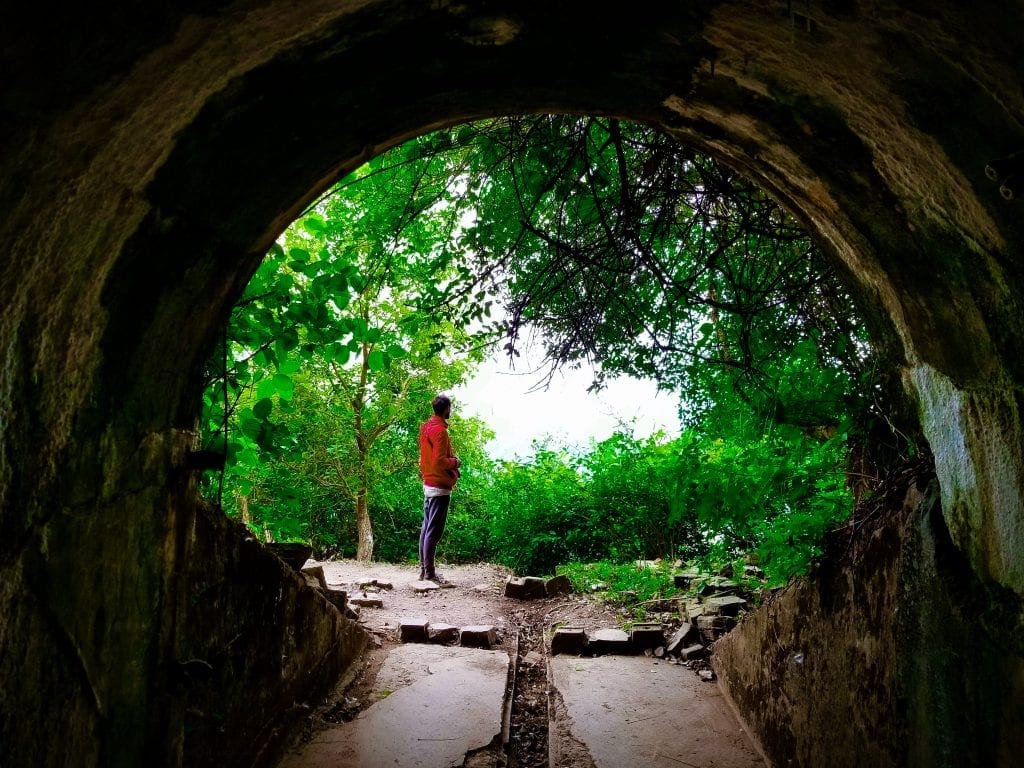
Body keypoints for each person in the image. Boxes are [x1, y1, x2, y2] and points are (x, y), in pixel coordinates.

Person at [418, 394, 461, 585]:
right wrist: (455, 462)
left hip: (429, 482)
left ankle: (424, 570)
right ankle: (430, 574)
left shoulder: (426, 427)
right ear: (446, 409)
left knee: (426, 529)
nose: (450, 411)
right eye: (450, 408)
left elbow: (426, 458)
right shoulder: (440, 431)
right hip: (439, 486)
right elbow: (439, 460)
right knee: (434, 532)